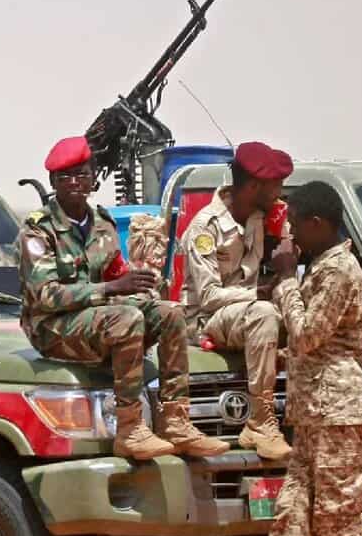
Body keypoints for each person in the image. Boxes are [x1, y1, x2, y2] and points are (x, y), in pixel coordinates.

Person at [208, 181, 362, 536]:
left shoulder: (339, 270)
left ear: (319, 224)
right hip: (314, 415)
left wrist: (284, 281)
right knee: (291, 516)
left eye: (298, 224)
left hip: (338, 414)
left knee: (336, 516)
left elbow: (306, 334)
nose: (292, 236)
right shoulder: (322, 267)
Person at [18, 136, 228, 460]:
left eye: (81, 174)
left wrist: (140, 283)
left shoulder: (103, 223)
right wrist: (110, 290)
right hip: (52, 327)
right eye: (65, 178)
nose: (75, 183)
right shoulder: (38, 231)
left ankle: (177, 421)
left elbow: (116, 273)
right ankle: (130, 428)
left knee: (169, 313)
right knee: (126, 319)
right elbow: (45, 296)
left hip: (95, 316)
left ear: (93, 178)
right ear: (53, 183)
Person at [180, 141, 293, 460]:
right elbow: (209, 296)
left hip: (244, 314)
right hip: (206, 319)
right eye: (275, 185)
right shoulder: (206, 227)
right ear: (253, 186)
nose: (279, 192)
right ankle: (261, 421)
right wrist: (257, 294)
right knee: (264, 313)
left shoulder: (262, 217)